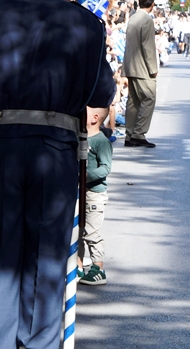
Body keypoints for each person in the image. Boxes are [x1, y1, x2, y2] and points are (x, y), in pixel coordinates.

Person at [0, 0, 116, 349]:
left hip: (3, 147)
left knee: (3, 254)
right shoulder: (85, 23)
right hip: (56, 149)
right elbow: (101, 92)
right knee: (47, 258)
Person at [79, 108, 114, 285]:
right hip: (78, 191)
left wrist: (86, 176)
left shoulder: (101, 141)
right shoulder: (79, 137)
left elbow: (106, 167)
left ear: (94, 118)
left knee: (91, 232)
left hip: (94, 194)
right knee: (77, 231)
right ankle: (77, 265)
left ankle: (98, 268)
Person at [123, 0, 159, 148]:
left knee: (133, 100)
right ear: (152, 4)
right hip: (143, 66)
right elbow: (148, 46)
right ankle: (138, 133)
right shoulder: (147, 20)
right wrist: (153, 68)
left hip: (130, 64)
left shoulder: (133, 17)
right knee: (148, 98)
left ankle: (129, 134)